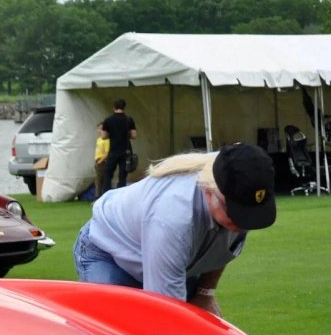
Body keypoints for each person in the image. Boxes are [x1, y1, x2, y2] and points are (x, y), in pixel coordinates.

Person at [73, 142, 277, 317]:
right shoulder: (172, 217)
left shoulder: (241, 181)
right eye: (232, 213)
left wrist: (205, 292)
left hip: (172, 259)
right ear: (209, 191)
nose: (241, 225)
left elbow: (222, 250)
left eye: (249, 216)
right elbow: (166, 315)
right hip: (109, 252)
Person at [100, 99, 137, 192]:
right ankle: (120, 195)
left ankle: (105, 195)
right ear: (124, 107)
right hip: (126, 150)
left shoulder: (108, 120)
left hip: (113, 150)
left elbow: (103, 136)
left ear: (114, 108)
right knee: (123, 176)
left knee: (108, 174)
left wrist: (112, 134)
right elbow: (134, 135)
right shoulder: (129, 119)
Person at [94, 125, 110, 199]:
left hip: (102, 162)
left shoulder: (107, 141)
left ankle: (98, 197)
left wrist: (100, 161)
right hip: (97, 160)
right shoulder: (99, 139)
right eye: (100, 129)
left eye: (102, 129)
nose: (101, 131)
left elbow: (107, 153)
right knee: (98, 180)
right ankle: (98, 196)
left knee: (100, 180)